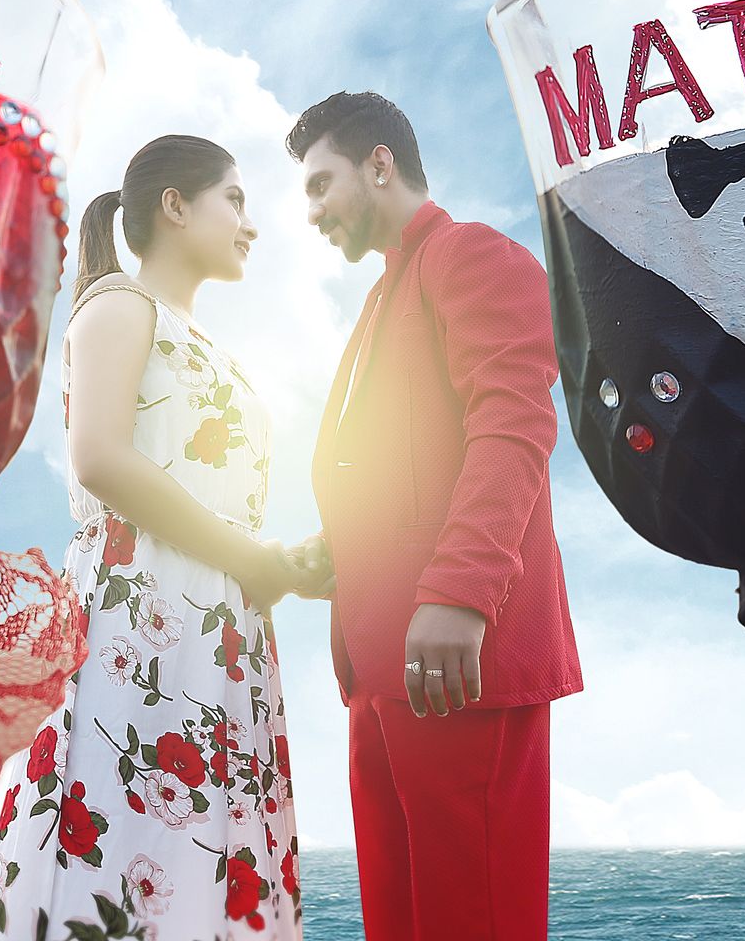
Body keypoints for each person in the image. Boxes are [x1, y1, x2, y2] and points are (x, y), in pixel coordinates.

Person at [0, 134, 307, 940]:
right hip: (142, 613)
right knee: (129, 845)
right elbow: (100, 459)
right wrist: (248, 559)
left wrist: (282, 563)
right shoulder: (122, 306)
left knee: (198, 850)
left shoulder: (202, 339)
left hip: (217, 621)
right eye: (234, 199)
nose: (248, 224)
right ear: (174, 205)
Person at [284, 92, 583, 940]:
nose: (310, 214)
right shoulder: (383, 296)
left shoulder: (470, 256)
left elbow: (515, 423)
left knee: (471, 919)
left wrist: (459, 591)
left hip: (461, 662)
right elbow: (404, 470)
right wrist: (334, 550)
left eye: (318, 185)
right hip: (383, 672)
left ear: (380, 163)